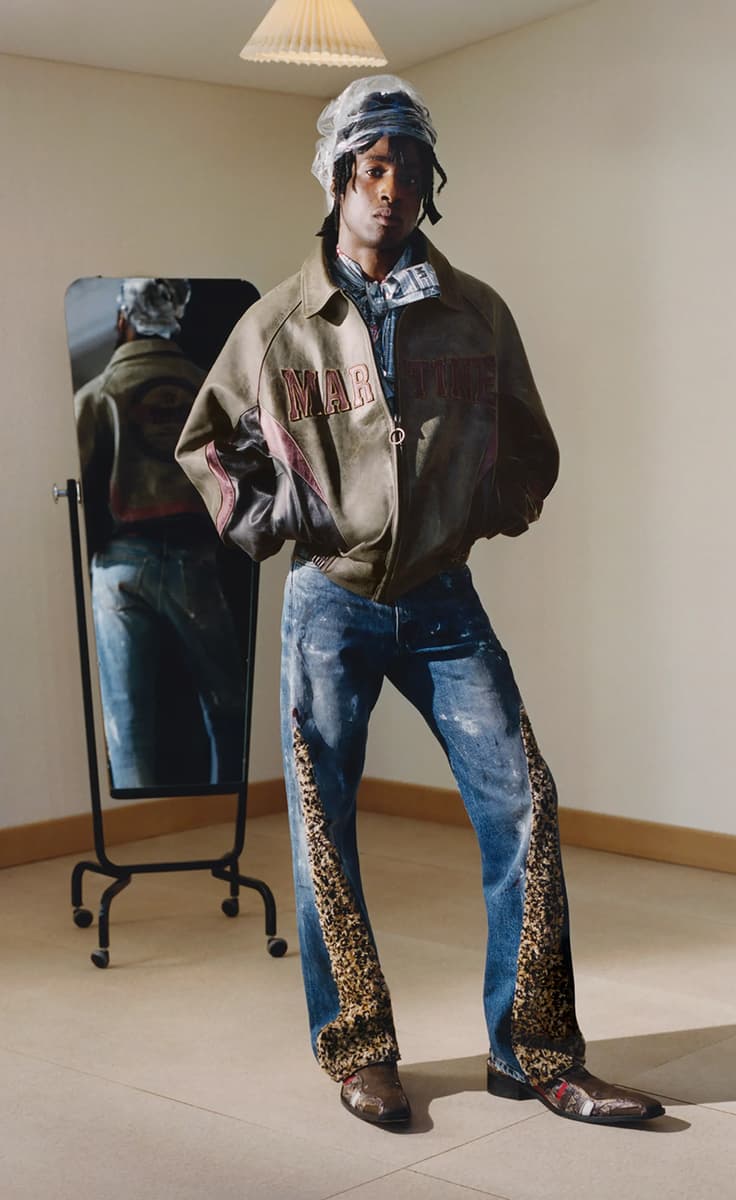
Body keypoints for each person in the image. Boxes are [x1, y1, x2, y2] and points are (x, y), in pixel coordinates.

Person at [176, 77, 664, 1128]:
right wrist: (288, 517)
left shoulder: (475, 313)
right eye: (372, 166)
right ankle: (359, 1049)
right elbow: (207, 448)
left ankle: (533, 1051)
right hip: (328, 600)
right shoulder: (279, 325)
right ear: (336, 177)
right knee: (323, 824)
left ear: (429, 183)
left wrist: (477, 510)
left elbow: (529, 446)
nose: (391, 187)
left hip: (444, 601)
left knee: (522, 801)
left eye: (409, 167)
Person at [75, 279, 244, 788]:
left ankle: (134, 820)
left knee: (126, 721)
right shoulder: (207, 387)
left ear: (122, 320)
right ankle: (230, 801)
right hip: (196, 561)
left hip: (119, 566)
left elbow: (80, 488)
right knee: (228, 707)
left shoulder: (97, 393)